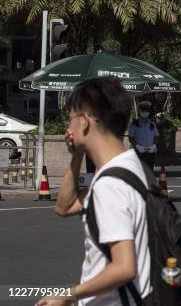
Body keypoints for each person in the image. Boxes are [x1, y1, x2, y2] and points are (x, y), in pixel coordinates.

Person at [41, 77, 152, 305]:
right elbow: (64, 207)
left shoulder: (110, 185)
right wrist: (77, 155)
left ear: (84, 122)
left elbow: (124, 267)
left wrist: (68, 295)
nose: (67, 128)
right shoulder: (128, 166)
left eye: (69, 119)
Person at [128, 101, 159, 171]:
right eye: (143, 110)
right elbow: (131, 138)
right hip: (139, 152)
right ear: (139, 111)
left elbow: (157, 136)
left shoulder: (152, 124)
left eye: (147, 110)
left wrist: (154, 146)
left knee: (150, 171)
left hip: (150, 152)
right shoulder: (135, 124)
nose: (145, 112)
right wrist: (138, 146)